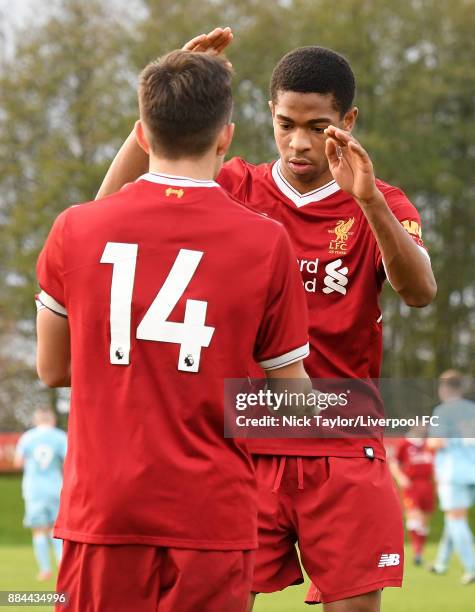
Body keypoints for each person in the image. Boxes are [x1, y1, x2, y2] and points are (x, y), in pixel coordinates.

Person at [95, 28, 437, 611]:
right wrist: (165, 108)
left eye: (317, 126)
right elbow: (113, 210)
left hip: (344, 445)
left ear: (347, 121)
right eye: (286, 124)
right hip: (242, 445)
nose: (299, 142)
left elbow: (420, 291)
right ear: (269, 115)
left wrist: (370, 202)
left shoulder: (382, 201)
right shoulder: (233, 186)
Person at [35, 50, 311, 612]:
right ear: (225, 138)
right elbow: (295, 403)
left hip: (102, 512)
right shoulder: (265, 241)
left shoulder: (76, 228)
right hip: (212, 515)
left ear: (141, 131)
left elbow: (53, 369)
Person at [427, 370, 475, 585]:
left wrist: (428, 442)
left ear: (444, 388)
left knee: (457, 520)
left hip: (452, 471)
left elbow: (437, 442)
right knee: (454, 518)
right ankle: (441, 562)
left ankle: (472, 567)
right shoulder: (472, 409)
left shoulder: (443, 411)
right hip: (471, 469)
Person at [14, 407, 67, 581]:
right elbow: (68, 462)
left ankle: (45, 570)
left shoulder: (27, 437)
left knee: (38, 531)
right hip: (56, 488)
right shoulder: (60, 436)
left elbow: (17, 462)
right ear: (51, 420)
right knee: (57, 529)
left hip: (34, 489)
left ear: (36, 420)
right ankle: (62, 566)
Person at [388, 429, 435, 566]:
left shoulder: (429, 444)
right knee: (414, 518)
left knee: (425, 523)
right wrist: (400, 477)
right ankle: (416, 552)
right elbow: (394, 463)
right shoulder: (404, 443)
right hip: (412, 485)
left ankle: (420, 552)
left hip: (427, 484)